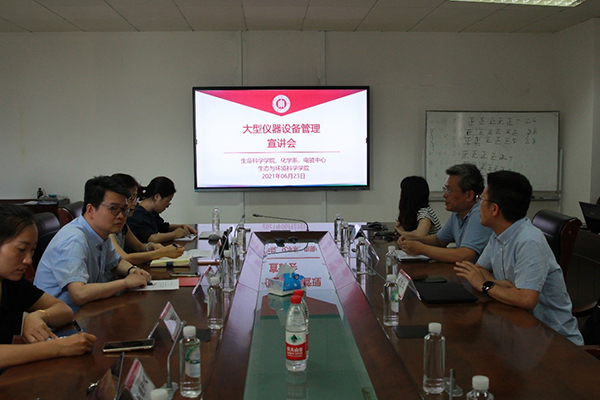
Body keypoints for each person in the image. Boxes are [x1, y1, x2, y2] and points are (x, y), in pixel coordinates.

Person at [454, 170, 583, 345]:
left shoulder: (528, 241)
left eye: (481, 199)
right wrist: (501, 285)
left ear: (494, 209)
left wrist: (486, 285)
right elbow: (479, 270)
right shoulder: (499, 234)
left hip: (554, 341)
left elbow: (527, 299)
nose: (478, 205)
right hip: (520, 330)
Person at [0, 204, 96, 370]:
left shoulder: (12, 282)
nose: (28, 260)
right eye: (21, 250)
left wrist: (38, 316)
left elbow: (64, 310)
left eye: (32, 250)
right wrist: (58, 347)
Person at [34, 176, 152, 310]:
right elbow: (79, 294)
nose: (121, 216)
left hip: (88, 309)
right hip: (61, 318)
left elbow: (115, 262)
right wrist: (125, 283)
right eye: (114, 208)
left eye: (125, 209)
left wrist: (133, 270)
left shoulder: (100, 232)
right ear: (90, 210)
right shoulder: (74, 240)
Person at [398, 164, 492, 263]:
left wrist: (421, 249)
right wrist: (413, 240)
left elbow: (465, 256)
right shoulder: (457, 213)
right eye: (445, 189)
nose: (444, 195)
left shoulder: (479, 214)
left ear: (469, 195)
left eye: (449, 190)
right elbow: (439, 240)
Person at [110, 173, 185, 264]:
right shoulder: (108, 228)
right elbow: (124, 257)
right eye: (131, 199)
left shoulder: (123, 225)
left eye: (134, 199)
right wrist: (162, 252)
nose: (134, 204)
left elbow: (139, 246)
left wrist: (152, 246)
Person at [127, 176, 197, 244]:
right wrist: (174, 234)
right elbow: (152, 238)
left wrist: (182, 226)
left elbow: (164, 227)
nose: (167, 206)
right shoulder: (137, 214)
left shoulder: (151, 212)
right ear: (157, 197)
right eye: (167, 201)